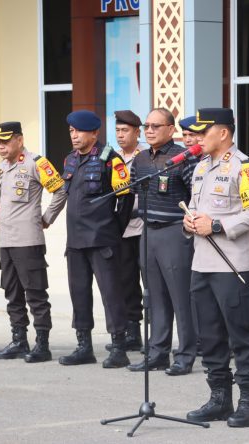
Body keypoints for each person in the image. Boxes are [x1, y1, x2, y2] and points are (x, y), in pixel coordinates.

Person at [183, 108, 249, 427]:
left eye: (203, 132)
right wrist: (189, 220)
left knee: (240, 336)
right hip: (202, 264)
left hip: (234, 266)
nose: (197, 138)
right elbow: (194, 207)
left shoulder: (245, 168)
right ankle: (219, 398)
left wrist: (216, 224)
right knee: (210, 337)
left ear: (223, 133)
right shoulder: (201, 167)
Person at [43, 110, 134, 368]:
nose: (74, 135)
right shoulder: (70, 160)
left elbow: (125, 198)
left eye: (79, 131)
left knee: (111, 294)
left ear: (94, 133)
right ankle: (84, 346)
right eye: (71, 131)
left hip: (103, 239)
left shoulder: (110, 160)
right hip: (75, 241)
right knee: (79, 293)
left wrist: (115, 230)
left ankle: (119, 347)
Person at [126, 108, 199, 376]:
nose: (150, 130)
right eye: (147, 126)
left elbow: (196, 193)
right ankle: (157, 352)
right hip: (149, 231)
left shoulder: (183, 158)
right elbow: (135, 188)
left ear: (171, 129)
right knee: (154, 297)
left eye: (156, 126)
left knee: (181, 297)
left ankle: (185, 355)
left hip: (174, 232)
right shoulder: (142, 158)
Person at [0, 121, 65, 363]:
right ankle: (19, 340)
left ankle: (42, 344)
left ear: (19, 140)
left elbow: (60, 191)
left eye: (5, 140)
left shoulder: (36, 163)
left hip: (28, 241)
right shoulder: (3, 167)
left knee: (35, 294)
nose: (1, 146)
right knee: (12, 293)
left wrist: (46, 219)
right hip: (7, 241)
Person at [104, 110, 145, 352]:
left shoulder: (145, 156)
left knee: (151, 283)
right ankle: (132, 332)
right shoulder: (111, 157)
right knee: (126, 282)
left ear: (137, 132)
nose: (120, 135)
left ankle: (158, 336)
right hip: (120, 230)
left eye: (125, 130)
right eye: (118, 130)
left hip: (143, 227)